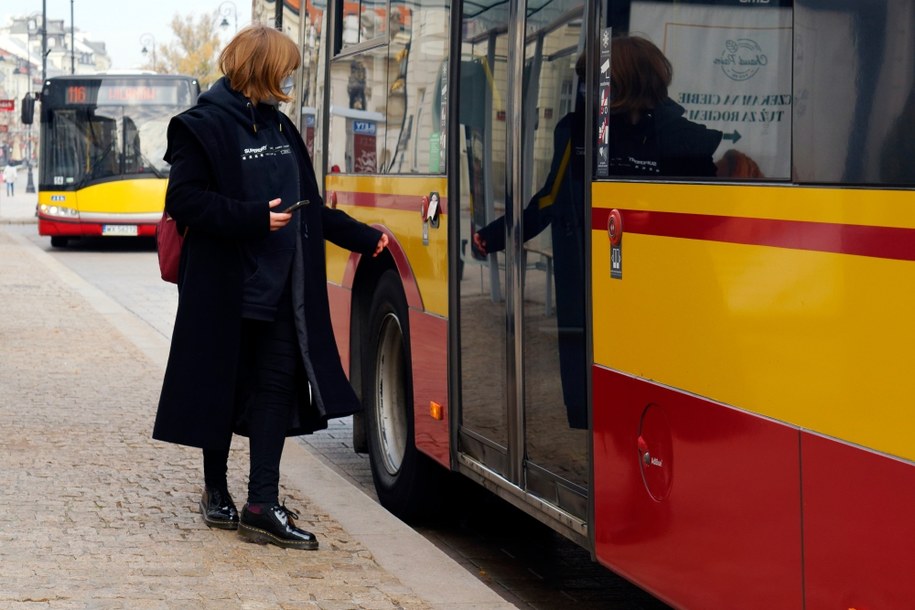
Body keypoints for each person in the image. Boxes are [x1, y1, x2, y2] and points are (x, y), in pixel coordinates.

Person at [153, 24, 388, 551]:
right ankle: (216, 489)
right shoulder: (201, 126)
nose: (288, 75)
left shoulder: (281, 128)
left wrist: (361, 237)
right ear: (261, 68)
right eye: (283, 66)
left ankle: (262, 504)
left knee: (275, 390)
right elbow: (185, 201)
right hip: (226, 287)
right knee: (223, 387)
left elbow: (309, 205)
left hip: (286, 289)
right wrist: (251, 219)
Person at [473, 53, 588, 429]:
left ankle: (583, 417)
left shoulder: (580, 128)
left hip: (582, 266)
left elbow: (550, 200)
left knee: (577, 341)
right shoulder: (681, 128)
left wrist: (494, 235)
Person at [605, 35, 722, 178]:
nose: (585, 90)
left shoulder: (686, 141)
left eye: (602, 81)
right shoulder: (584, 130)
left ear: (628, 83)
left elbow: (704, 197)